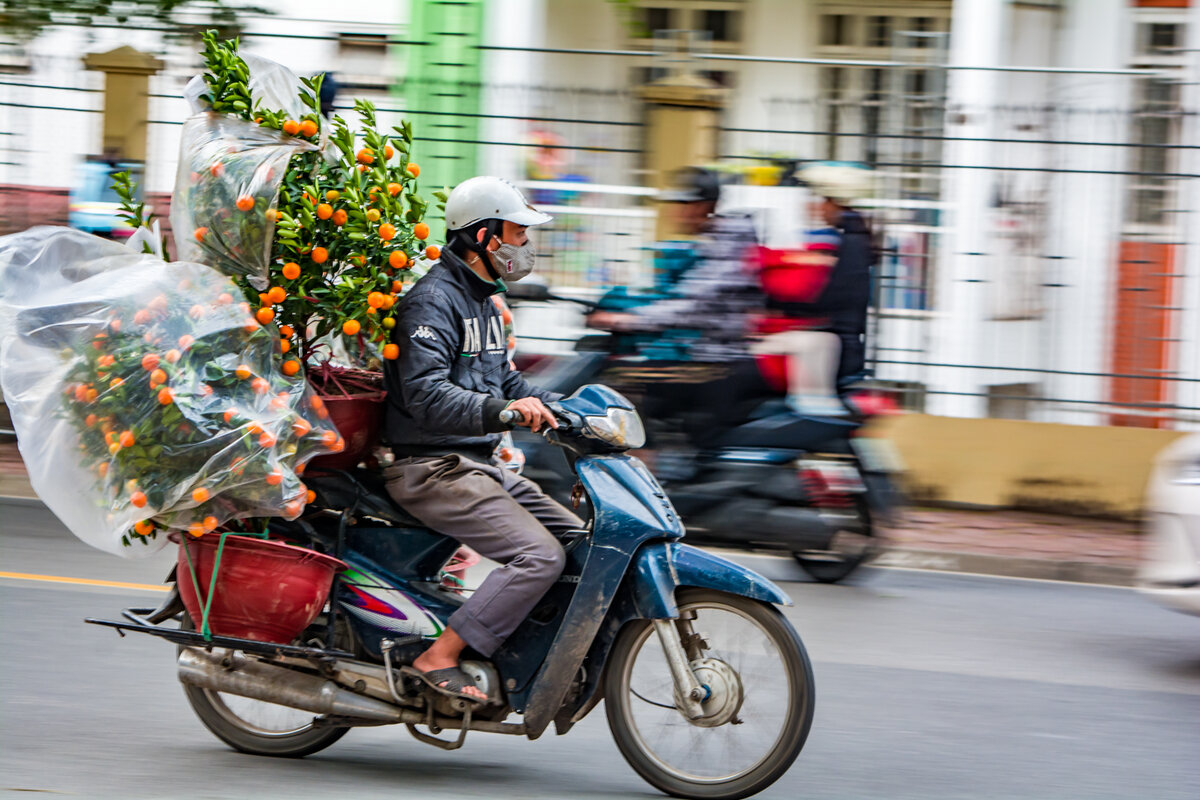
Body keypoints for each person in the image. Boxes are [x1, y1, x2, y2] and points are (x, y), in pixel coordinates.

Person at [382, 176, 582, 703]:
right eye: (518, 233)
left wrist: (570, 409)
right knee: (539, 557)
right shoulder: (432, 303)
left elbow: (507, 383)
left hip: (475, 466)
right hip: (431, 469)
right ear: (485, 237)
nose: (525, 246)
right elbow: (426, 398)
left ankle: (517, 648)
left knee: (581, 541)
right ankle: (438, 657)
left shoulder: (484, 303)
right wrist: (505, 412)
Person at [587, 167, 764, 439]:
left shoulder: (731, 247)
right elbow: (675, 296)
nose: (677, 213)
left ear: (705, 206)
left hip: (713, 363)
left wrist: (626, 320)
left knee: (619, 380)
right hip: (702, 356)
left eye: (684, 205)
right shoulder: (715, 243)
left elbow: (694, 305)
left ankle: (641, 464)